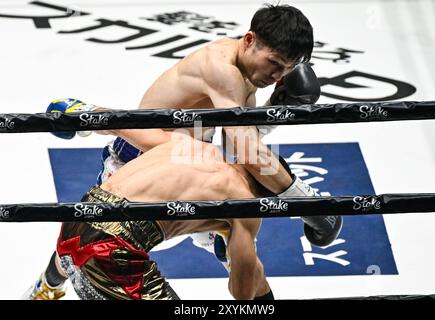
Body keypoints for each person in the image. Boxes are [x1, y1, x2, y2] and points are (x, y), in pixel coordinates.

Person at [24, 4, 338, 299]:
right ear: (249, 40)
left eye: (285, 69)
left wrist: (273, 108)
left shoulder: (248, 75)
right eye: (274, 63)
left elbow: (239, 144)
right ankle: (48, 285)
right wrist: (306, 202)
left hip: (184, 160)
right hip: (141, 160)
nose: (277, 77)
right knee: (104, 237)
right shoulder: (222, 70)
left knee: (239, 252)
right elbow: (248, 153)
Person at [58, 133, 280, 300]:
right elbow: (243, 294)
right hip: (114, 248)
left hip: (77, 221)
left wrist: (89, 110)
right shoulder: (243, 202)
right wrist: (239, 253)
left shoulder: (194, 147)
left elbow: (127, 126)